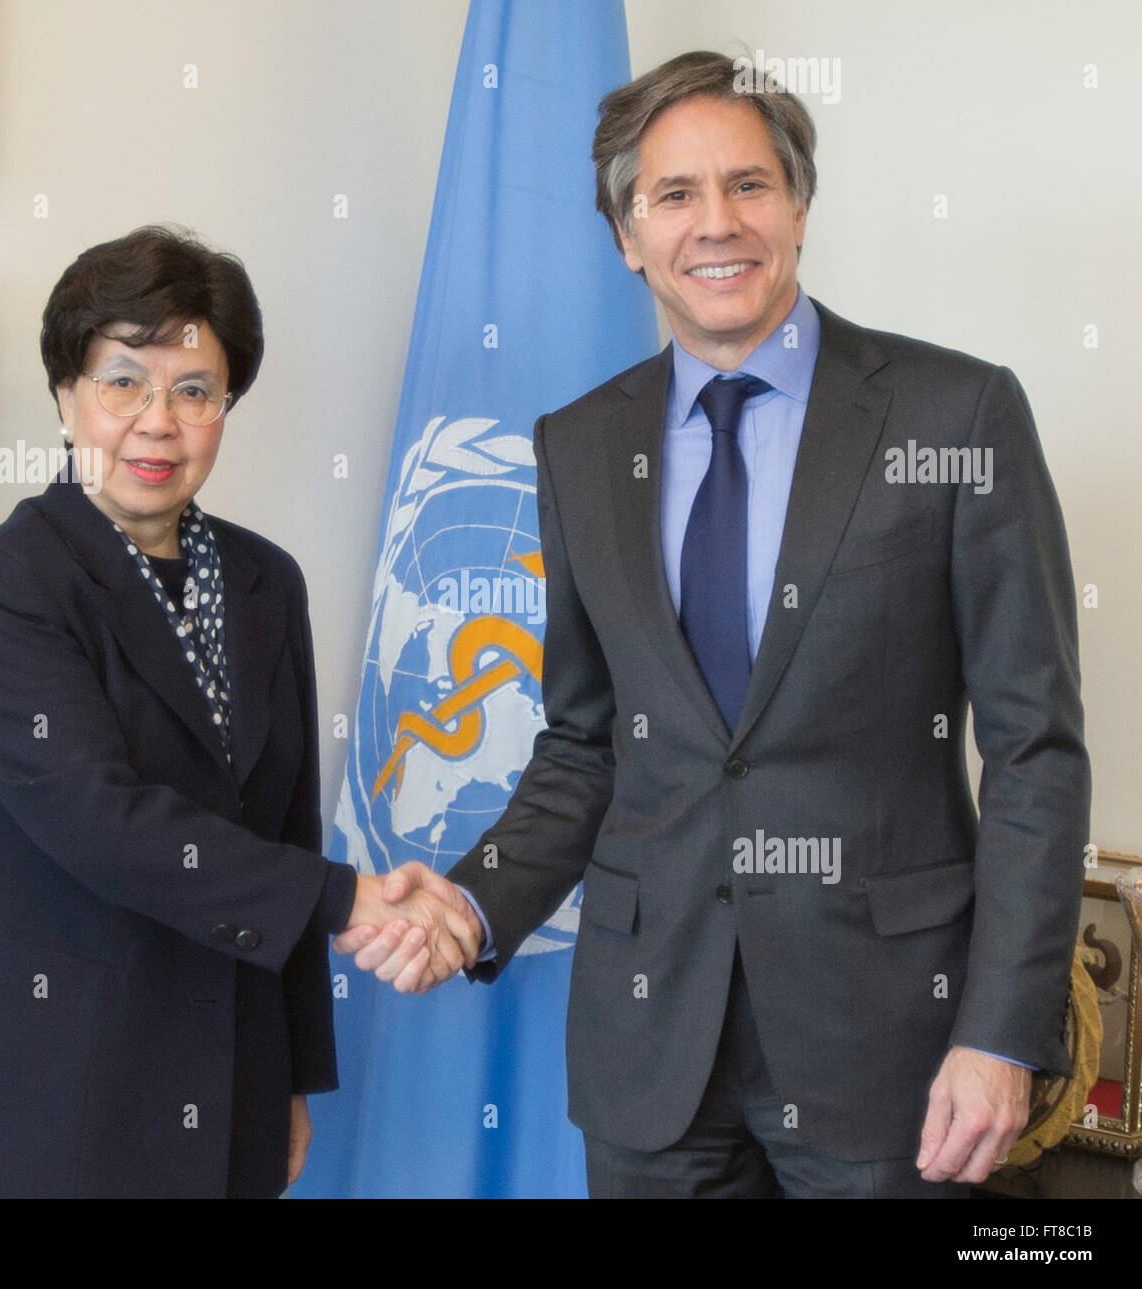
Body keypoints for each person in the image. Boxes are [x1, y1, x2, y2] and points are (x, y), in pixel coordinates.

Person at [338, 51, 1090, 1198]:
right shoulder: (579, 445)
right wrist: (474, 898)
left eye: (748, 184)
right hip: (651, 1058)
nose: (716, 223)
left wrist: (1000, 1031)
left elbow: (1034, 751)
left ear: (797, 205)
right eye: (673, 196)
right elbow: (585, 742)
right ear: (627, 236)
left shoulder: (958, 411)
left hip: (891, 1054)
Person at [0, 225, 479, 1199]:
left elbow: (282, 821)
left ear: (226, 407)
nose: (157, 421)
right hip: (40, 1105)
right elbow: (98, 816)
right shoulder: (4, 587)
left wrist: (289, 1077)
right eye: (123, 380)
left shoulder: (264, 580)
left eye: (195, 389)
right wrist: (346, 898)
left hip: (224, 1088)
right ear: (64, 395)